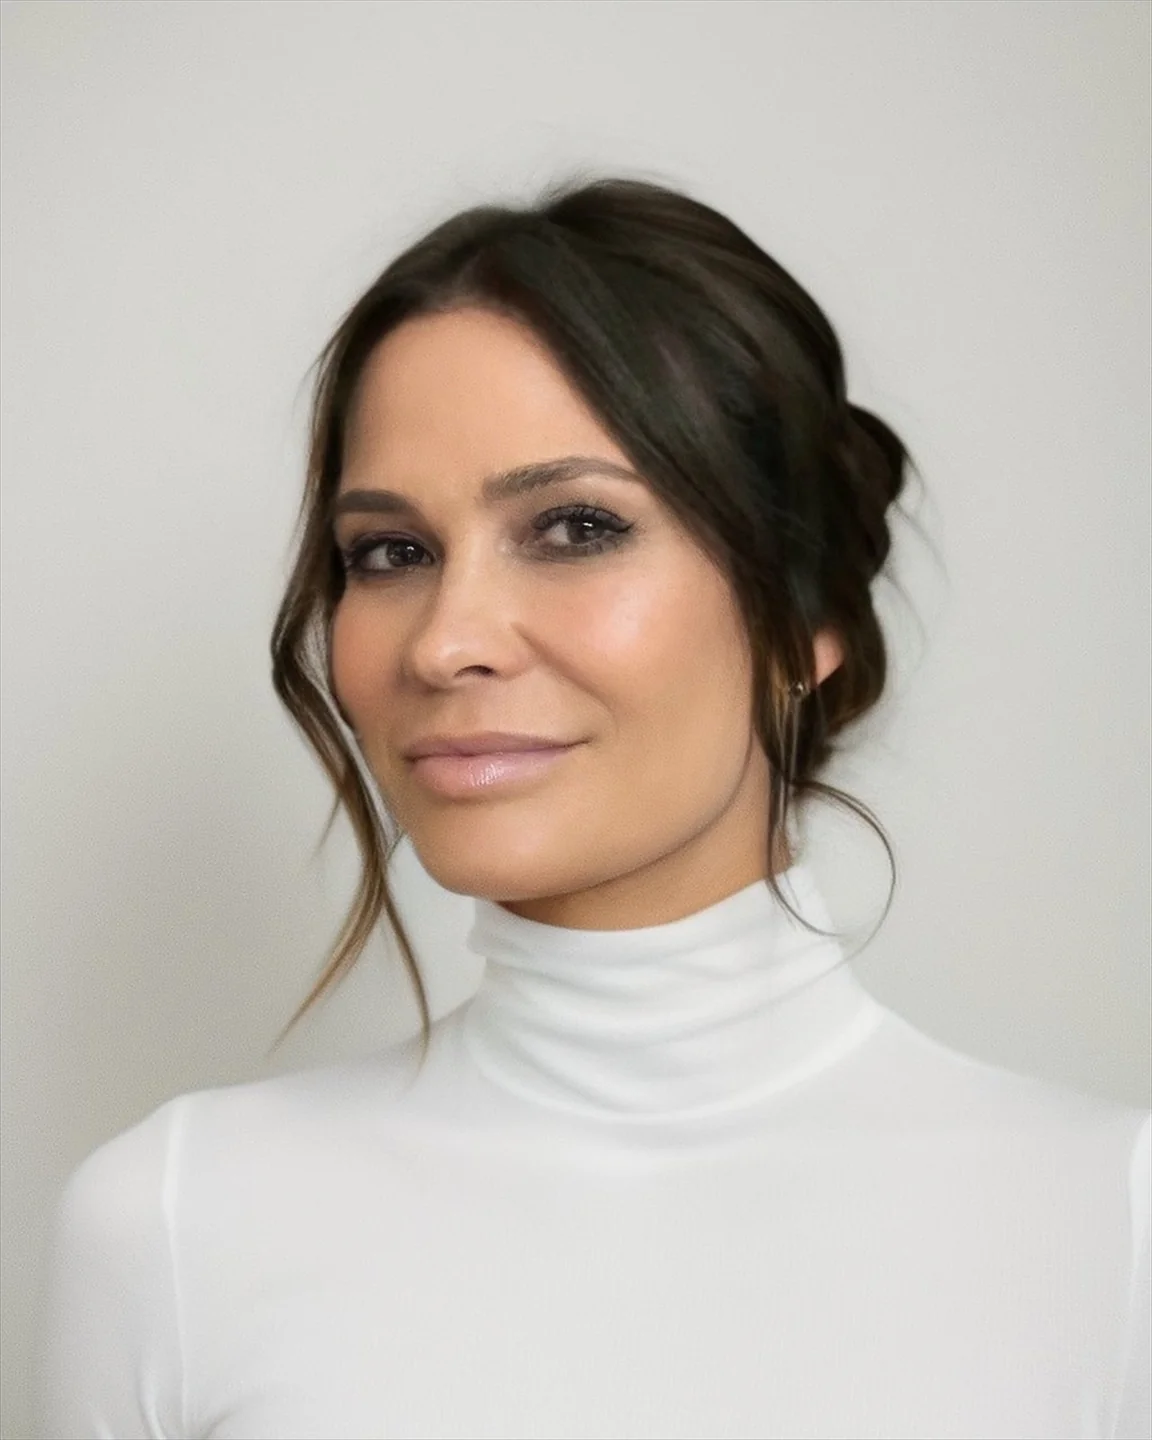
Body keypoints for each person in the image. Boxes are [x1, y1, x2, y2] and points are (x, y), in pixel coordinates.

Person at [36, 173, 1149, 1440]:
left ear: (812, 616)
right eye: (389, 553)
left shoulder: (1111, 1229)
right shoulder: (172, 1226)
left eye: (573, 528)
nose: (446, 641)